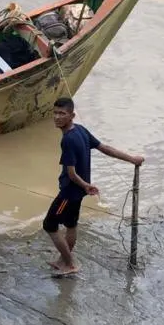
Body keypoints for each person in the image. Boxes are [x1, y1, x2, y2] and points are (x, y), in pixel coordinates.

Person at [45, 97, 144, 275]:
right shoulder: (81, 130)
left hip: (68, 193)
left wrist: (85, 186)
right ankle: (63, 261)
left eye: (62, 114)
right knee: (71, 224)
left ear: (71, 115)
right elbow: (105, 148)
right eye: (55, 113)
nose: (57, 117)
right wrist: (132, 159)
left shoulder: (67, 140)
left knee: (50, 224)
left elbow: (71, 174)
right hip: (78, 193)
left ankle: (70, 264)